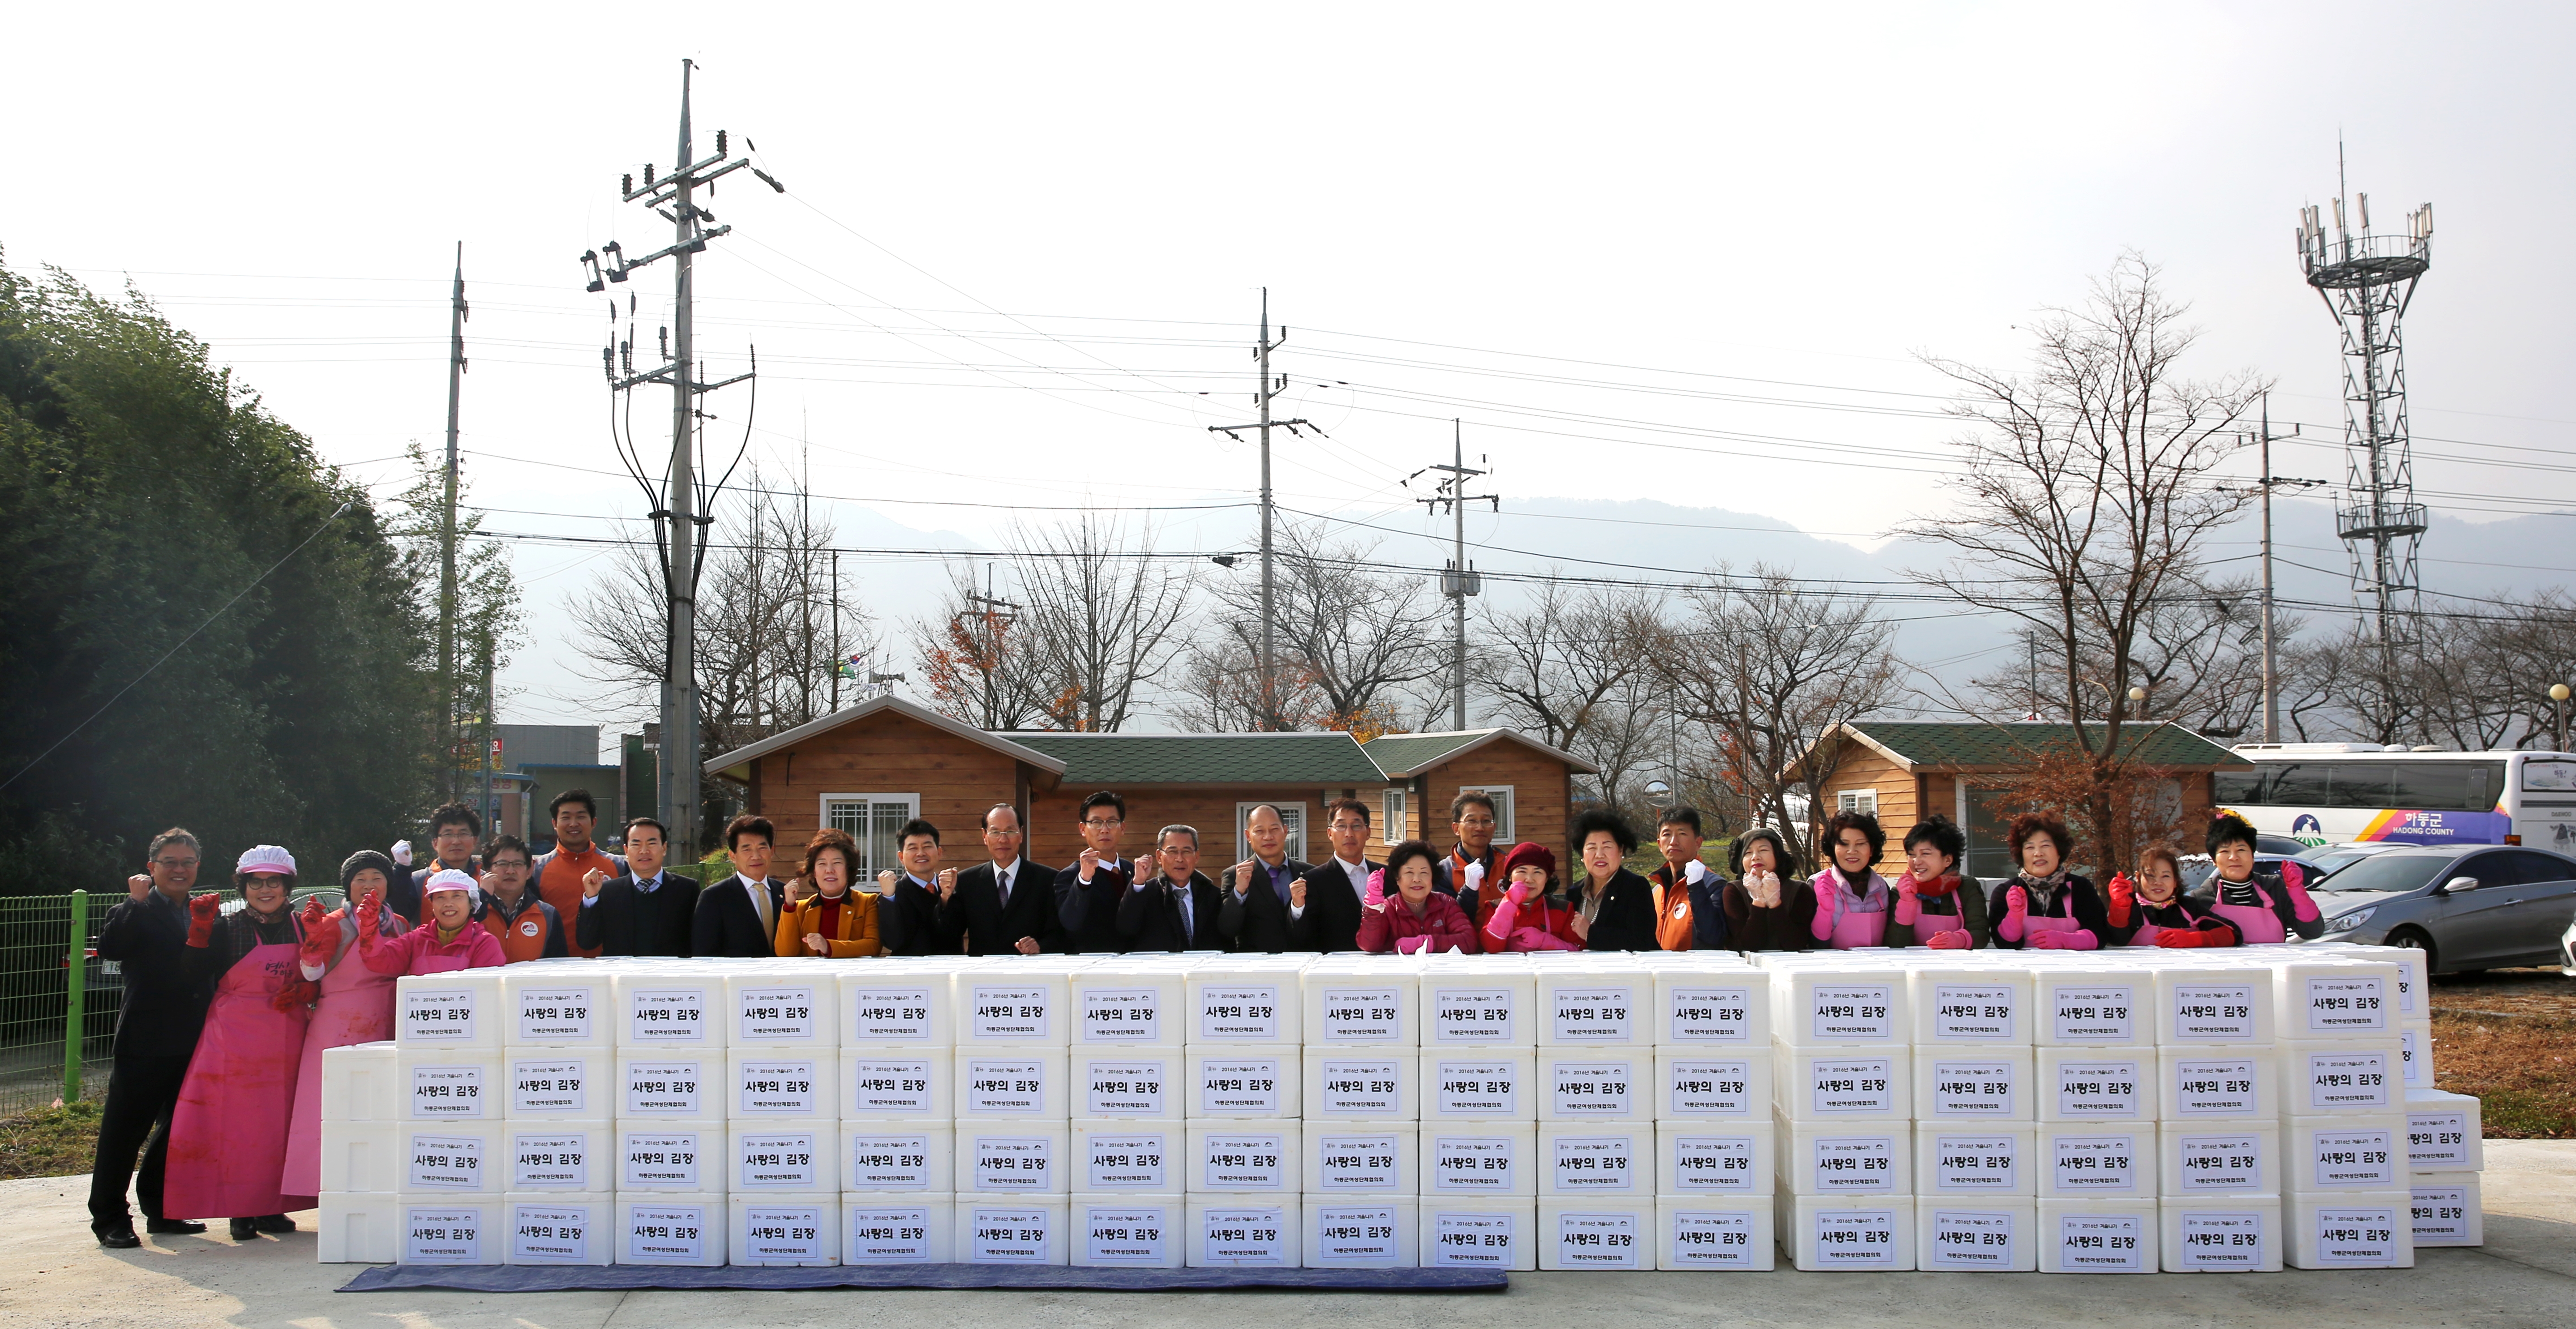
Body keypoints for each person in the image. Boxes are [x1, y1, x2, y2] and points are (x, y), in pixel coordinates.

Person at [161, 846, 318, 1240]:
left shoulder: (304, 926)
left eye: (274, 883)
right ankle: (240, 1209)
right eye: (256, 883)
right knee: (236, 1126)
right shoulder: (225, 926)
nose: (265, 890)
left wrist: (304, 988)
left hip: (287, 1036)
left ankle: (273, 1206)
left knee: (280, 1124)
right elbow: (190, 973)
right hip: (233, 1040)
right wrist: (198, 932)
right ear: (244, 886)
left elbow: (320, 972)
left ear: (287, 887)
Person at [88, 830, 216, 1248]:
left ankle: (162, 1209)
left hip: (194, 1038)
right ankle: (109, 1217)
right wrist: (134, 902)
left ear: (198, 866)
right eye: (170, 861)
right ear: (152, 867)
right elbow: (111, 947)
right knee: (124, 1133)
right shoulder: (134, 909)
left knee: (176, 1130)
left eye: (187, 861)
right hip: (145, 1039)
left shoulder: (205, 911)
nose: (179, 869)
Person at [279, 852, 412, 1199]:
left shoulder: (399, 924)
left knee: (378, 1109)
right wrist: (311, 946)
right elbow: (312, 973)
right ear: (348, 887)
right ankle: (317, 1188)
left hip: (384, 1021)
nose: (369, 885)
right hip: (336, 1024)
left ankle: (376, 1189)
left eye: (377, 877)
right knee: (325, 1106)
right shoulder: (333, 923)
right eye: (361, 879)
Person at [942, 804, 1061, 956]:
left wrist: (1040, 947)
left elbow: (1060, 933)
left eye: (1010, 831)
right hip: (982, 974)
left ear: (1021, 834)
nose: (1003, 839)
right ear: (985, 836)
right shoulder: (966, 881)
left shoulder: (1048, 879)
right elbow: (949, 934)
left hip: (1031, 972)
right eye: (995, 832)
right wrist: (945, 898)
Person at [2191, 813, 2324, 944]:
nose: (2234, 857)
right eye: (2225, 851)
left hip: (2272, 964)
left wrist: (2297, 891)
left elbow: (2312, 932)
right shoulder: (2200, 899)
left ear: (2253, 856)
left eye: (2241, 850)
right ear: (2214, 859)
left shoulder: (2275, 888)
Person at [1987, 811, 2112, 949]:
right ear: (2020, 855)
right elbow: (2003, 944)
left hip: (2074, 968)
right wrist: (2014, 915)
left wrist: (2066, 940)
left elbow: (2100, 935)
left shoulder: (2080, 887)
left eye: (2046, 846)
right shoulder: (2005, 892)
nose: (2038, 853)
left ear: (2059, 852)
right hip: (2024, 969)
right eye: (2030, 847)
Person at [577, 817, 697, 957]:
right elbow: (587, 942)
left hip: (671, 975)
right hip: (623, 976)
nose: (644, 851)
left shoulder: (688, 890)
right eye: (636, 844)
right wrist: (591, 898)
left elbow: (698, 941)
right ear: (626, 850)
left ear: (664, 848)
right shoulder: (608, 892)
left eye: (652, 843)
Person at [358, 870, 509, 974]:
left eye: (457, 896)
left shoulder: (485, 944)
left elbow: (486, 993)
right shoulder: (416, 939)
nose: (448, 904)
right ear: (432, 904)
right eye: (440, 897)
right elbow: (379, 962)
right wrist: (369, 927)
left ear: (472, 903)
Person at [531, 790, 625, 957]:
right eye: (566, 817)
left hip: (608, 964)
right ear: (555, 823)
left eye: (581, 817)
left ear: (594, 822)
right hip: (555, 965)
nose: (573, 824)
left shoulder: (618, 866)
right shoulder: (537, 869)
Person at [1216, 803, 1314, 953]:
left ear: (1286, 831)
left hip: (1303, 963)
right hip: (1256, 968)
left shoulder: (1309, 873)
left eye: (1274, 829)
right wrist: (1240, 891)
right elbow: (1227, 930)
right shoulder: (1235, 876)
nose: (1268, 837)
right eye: (1260, 831)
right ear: (1248, 836)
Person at [776, 827, 884, 957]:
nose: (829, 870)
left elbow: (873, 946)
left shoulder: (867, 902)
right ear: (814, 872)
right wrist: (789, 906)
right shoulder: (801, 908)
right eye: (822, 864)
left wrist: (828, 946)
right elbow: (785, 953)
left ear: (848, 869)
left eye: (837, 863)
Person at [1883, 814, 1987, 949]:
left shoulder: (1967, 887)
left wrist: (1960, 940)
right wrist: (1907, 904)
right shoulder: (1900, 891)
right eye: (1911, 854)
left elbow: (1981, 934)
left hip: (1959, 965)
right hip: (1914, 966)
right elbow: (1895, 945)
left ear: (1948, 860)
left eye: (1925, 854)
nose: (1917, 862)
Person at [694, 814, 789, 958]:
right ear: (732, 856)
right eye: (747, 849)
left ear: (772, 851)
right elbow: (705, 953)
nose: (756, 856)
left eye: (762, 848)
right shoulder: (715, 897)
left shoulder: (784, 892)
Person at [1119, 824, 1225, 952]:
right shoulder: (1145, 893)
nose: (1179, 859)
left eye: (1186, 852)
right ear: (1159, 857)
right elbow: (1126, 929)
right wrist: (1138, 882)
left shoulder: (1213, 896)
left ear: (1196, 856)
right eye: (1172, 852)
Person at [2110, 842, 2240, 947]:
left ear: (2175, 881)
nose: (2158, 882)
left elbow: (2234, 933)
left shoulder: (2188, 906)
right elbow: (2115, 941)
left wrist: (2196, 939)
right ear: (2138, 878)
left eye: (2166, 876)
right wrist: (2119, 908)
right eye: (2150, 875)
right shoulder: (2130, 906)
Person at [1358, 839, 1476, 954]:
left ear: (1432, 877)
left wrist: (1424, 944)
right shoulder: (1388, 908)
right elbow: (1369, 946)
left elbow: (1469, 941)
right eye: (1409, 873)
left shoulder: (1446, 904)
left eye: (1424, 873)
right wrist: (1373, 908)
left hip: (1438, 971)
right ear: (1397, 878)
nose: (1417, 879)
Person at [1462, 841, 1582, 952]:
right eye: (1522, 871)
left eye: (1538, 872)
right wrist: (1509, 903)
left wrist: (1545, 941)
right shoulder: (1494, 907)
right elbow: (1491, 947)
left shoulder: (1563, 910)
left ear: (1547, 879)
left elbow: (1579, 949)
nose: (1529, 880)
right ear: (1510, 876)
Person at [1056, 792, 1137, 954]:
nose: (1105, 830)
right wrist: (1084, 880)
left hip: (1135, 964)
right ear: (1083, 829)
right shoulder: (1071, 876)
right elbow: (1071, 923)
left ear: (1122, 828)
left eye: (1112, 822)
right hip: (1092, 968)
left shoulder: (1133, 871)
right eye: (1096, 822)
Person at [1567, 810, 1659, 951]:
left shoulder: (1635, 887)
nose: (1599, 855)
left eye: (1607, 847)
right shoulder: (1574, 893)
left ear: (1621, 850)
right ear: (1582, 854)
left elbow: (1642, 940)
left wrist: (1590, 933)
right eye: (1592, 848)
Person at [1294, 798, 1377, 953]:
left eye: (1357, 826)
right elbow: (1302, 937)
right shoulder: (1313, 881)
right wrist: (1297, 907)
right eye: (1341, 826)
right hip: (1336, 969)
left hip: (1387, 967)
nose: (1349, 834)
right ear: (1330, 833)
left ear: (1368, 832)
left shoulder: (1388, 876)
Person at [1804, 809, 1894, 949]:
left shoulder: (1882, 888)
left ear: (1872, 849)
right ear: (1833, 848)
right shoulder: (1817, 885)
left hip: (1877, 967)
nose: (1852, 851)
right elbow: (1812, 946)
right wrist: (1824, 912)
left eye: (1860, 844)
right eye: (1844, 844)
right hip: (1832, 968)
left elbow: (1892, 941)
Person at [386, 802, 483, 924]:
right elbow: (397, 918)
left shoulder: (487, 882)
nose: (456, 841)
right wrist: (401, 870)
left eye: (463, 834)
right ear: (435, 843)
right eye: (448, 834)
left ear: (475, 840)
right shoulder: (417, 881)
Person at [1647, 806, 1729, 950]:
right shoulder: (1656, 891)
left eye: (1682, 833)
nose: (1673, 841)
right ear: (1660, 844)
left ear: (1698, 843)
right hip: (1660, 970)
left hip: (1695, 971)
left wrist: (1696, 888)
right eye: (1667, 834)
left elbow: (1714, 938)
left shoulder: (1714, 885)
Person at [474, 836, 567, 961]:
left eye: (518, 864)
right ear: (488, 870)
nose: (510, 871)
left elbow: (558, 966)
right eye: (502, 864)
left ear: (529, 871)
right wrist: (482, 899)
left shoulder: (548, 915)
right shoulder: (473, 910)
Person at [1720, 827, 1807, 952]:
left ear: (1778, 855)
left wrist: (1775, 903)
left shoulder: (1800, 890)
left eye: (1763, 850)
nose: (1755, 857)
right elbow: (1748, 945)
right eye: (1748, 853)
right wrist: (1759, 901)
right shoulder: (1733, 891)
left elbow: (1795, 944)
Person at [1436, 791, 1502, 896]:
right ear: (1456, 828)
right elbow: (1447, 912)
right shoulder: (1444, 872)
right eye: (1472, 821)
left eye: (1486, 821)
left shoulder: (1508, 865)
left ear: (1494, 828)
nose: (1480, 828)